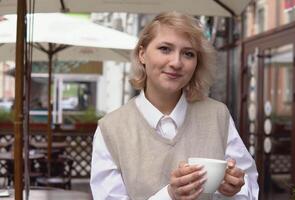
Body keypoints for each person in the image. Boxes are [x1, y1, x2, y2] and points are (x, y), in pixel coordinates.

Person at [90, 11, 259, 200]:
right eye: (165, 49)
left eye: (188, 53)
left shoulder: (217, 115)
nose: (176, 62)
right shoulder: (112, 129)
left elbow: (250, 186)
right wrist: (170, 195)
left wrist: (233, 191)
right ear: (142, 54)